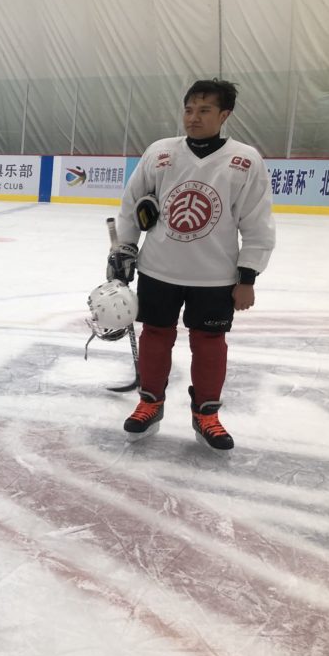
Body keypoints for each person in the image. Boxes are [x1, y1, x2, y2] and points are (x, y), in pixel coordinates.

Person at [108, 78, 275, 450]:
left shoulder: (245, 160)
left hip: (215, 275)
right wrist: (125, 250)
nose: (193, 118)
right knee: (156, 336)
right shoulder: (160, 152)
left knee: (211, 342)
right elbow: (132, 204)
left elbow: (257, 222)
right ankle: (150, 403)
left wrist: (247, 276)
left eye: (204, 111)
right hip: (158, 268)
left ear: (224, 114)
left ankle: (207, 413)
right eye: (188, 109)